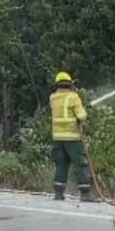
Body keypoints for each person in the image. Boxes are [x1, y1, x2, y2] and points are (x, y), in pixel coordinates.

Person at [50, 71, 92, 202]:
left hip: (58, 138)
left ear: (57, 85)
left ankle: (58, 193)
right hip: (73, 138)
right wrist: (82, 108)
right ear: (70, 84)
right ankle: (85, 194)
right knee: (80, 164)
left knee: (61, 165)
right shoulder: (73, 97)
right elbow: (81, 116)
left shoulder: (53, 97)